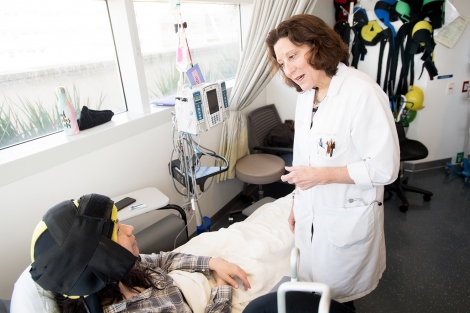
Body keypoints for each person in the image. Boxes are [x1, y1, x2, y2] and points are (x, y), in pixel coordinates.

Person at [261, 13, 399, 311]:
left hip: (346, 217)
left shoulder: (361, 93)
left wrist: (322, 176)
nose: (289, 68)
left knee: (338, 299)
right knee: (316, 292)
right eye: (282, 62)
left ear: (318, 45)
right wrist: (297, 201)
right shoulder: (305, 96)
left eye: (293, 55)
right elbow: (303, 160)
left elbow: (385, 168)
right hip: (313, 214)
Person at [29, 193, 251, 313]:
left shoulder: (119, 271)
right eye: (118, 229)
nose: (130, 229)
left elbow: (162, 259)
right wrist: (221, 288)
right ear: (98, 260)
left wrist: (212, 262)